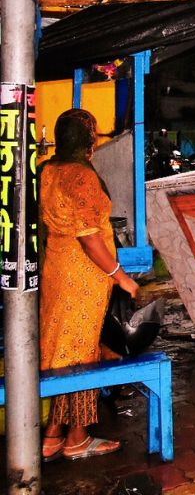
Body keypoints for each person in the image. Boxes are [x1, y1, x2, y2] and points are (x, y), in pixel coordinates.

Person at [39, 109, 140, 462]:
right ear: (89, 141)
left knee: (62, 355)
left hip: (56, 272)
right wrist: (121, 276)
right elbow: (89, 239)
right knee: (82, 357)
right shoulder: (80, 176)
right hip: (81, 280)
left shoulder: (48, 170)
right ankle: (77, 437)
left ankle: (53, 435)